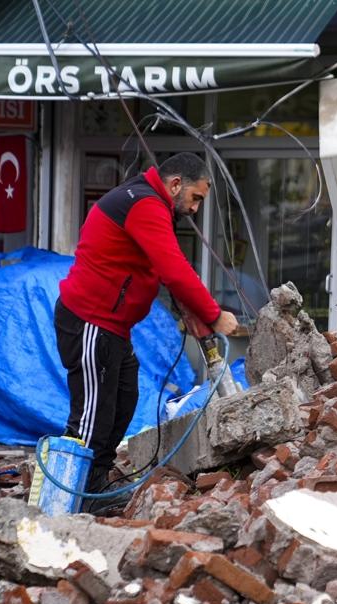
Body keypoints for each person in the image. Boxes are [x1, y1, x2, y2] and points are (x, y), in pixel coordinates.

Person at [54, 153, 238, 495]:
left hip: (111, 326)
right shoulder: (144, 204)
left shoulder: (147, 202)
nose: (196, 209)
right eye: (196, 198)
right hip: (91, 321)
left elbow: (159, 265)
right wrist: (213, 314)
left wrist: (188, 306)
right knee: (92, 414)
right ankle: (74, 495)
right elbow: (174, 269)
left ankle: (96, 485)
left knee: (124, 402)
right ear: (175, 184)